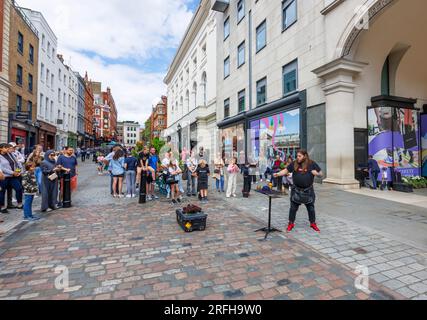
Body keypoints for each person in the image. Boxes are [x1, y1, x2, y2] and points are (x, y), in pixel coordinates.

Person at [274, 149, 323, 233]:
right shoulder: (294, 163)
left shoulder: (311, 163)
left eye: (299, 156)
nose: (298, 158)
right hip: (296, 190)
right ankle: (291, 223)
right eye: (297, 156)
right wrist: (278, 174)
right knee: (293, 208)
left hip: (308, 191)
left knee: (311, 208)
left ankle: (313, 223)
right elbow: (286, 170)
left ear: (305, 156)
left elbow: (321, 174)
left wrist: (317, 174)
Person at [0, 143, 24, 213]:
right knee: (2, 191)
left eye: (8, 147)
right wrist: (12, 172)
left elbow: (17, 163)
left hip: (13, 177)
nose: (8, 149)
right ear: (1, 148)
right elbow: (2, 168)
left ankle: (19, 204)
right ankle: (2, 207)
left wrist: (18, 171)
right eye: (6, 147)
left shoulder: (11, 154)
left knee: (19, 188)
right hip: (4, 177)